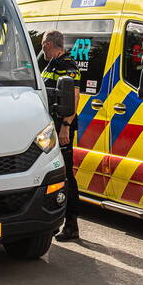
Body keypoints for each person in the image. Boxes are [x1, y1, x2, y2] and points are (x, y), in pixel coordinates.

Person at [40, 30, 81, 241]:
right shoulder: (51, 64)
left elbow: (74, 97)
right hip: (49, 127)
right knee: (48, 172)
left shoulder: (68, 65)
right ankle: (52, 220)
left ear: (47, 44)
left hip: (61, 128)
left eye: (42, 45)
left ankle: (71, 225)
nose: (41, 49)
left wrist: (65, 125)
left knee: (65, 175)